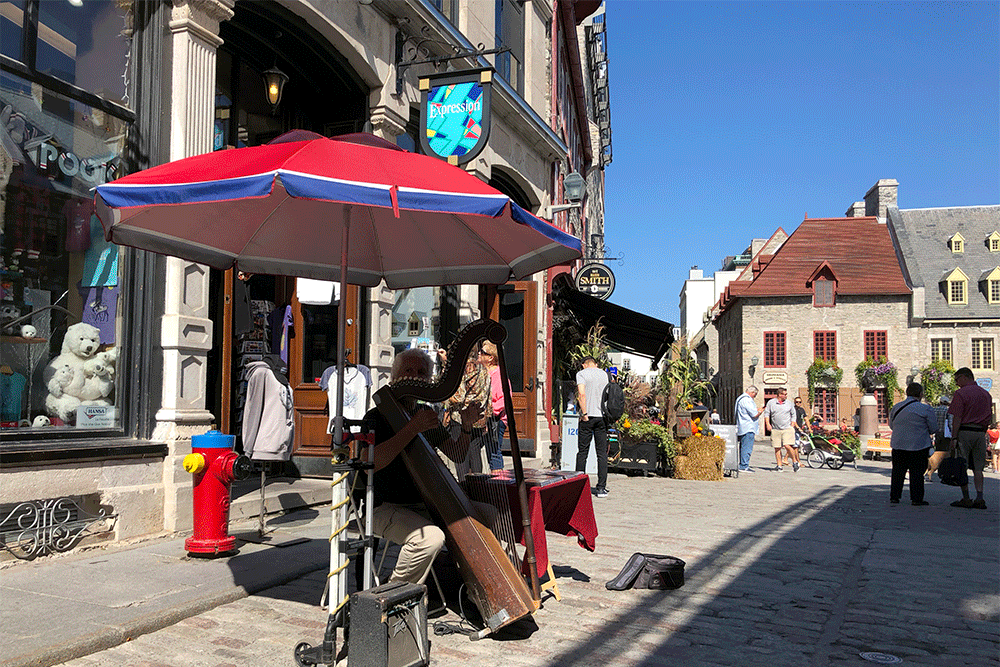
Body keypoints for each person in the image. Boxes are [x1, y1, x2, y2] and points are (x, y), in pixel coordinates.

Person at [359, 348, 497, 585]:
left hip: (425, 505)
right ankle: (395, 593)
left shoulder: (425, 413)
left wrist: (465, 426)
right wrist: (412, 429)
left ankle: (465, 582)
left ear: (428, 381)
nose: (415, 377)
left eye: (422, 373)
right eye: (408, 371)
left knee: (488, 514)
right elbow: (368, 462)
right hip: (385, 507)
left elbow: (457, 454)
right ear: (394, 377)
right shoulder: (376, 416)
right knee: (430, 538)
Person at [440, 347, 491, 475]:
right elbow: (488, 395)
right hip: (479, 417)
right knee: (475, 455)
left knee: (461, 456)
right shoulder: (483, 368)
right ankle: (478, 486)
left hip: (461, 418)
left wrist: (444, 398)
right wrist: (487, 417)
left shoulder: (461, 368)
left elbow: (458, 397)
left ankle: (463, 488)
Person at [947, 367, 992, 509]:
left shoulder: (961, 393)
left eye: (957, 380)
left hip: (965, 432)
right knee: (978, 467)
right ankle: (980, 497)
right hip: (980, 433)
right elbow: (989, 418)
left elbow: (957, 417)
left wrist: (953, 438)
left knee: (962, 465)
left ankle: (966, 498)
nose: (956, 383)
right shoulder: (986, 394)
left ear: (964, 377)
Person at [888, 382, 937, 505]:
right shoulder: (925, 408)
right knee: (917, 473)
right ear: (920, 394)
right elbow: (933, 428)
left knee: (898, 472)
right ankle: (916, 498)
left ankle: (895, 496)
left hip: (898, 444)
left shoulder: (897, 407)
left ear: (907, 392)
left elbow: (891, 425)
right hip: (918, 445)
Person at [576, 356, 610, 497]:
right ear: (595, 364)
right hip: (602, 416)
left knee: (582, 452)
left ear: (584, 365)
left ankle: (578, 487)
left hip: (587, 416)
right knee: (601, 453)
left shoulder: (582, 374)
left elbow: (581, 395)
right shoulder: (604, 374)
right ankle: (601, 487)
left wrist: (584, 413)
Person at [479, 341, 508, 474]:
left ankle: (498, 481)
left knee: (494, 452)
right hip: (482, 417)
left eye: (483, 352)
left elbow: (503, 400)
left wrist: (490, 412)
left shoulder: (498, 374)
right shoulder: (482, 373)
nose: (479, 353)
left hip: (495, 419)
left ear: (491, 357)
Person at [763, 387, 800, 471]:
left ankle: (794, 461)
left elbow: (793, 414)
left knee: (787, 445)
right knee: (777, 447)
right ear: (779, 394)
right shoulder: (771, 403)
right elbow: (767, 414)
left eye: (786, 394)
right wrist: (767, 424)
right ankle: (779, 465)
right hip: (776, 428)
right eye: (784, 394)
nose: (786, 396)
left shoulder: (789, 403)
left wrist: (793, 422)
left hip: (787, 428)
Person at [735, 385, 762, 472]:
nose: (755, 396)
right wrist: (760, 411)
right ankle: (744, 465)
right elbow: (754, 414)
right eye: (755, 395)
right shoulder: (747, 400)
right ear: (752, 393)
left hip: (742, 425)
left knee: (743, 446)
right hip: (748, 427)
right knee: (747, 447)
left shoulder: (740, 398)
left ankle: (742, 464)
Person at [925, 397, 952, 482]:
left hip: (937, 433)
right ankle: (943, 473)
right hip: (946, 434)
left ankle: (936, 470)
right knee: (945, 455)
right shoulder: (948, 411)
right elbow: (950, 423)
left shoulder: (935, 410)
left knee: (938, 453)